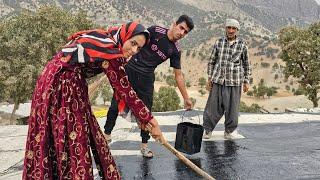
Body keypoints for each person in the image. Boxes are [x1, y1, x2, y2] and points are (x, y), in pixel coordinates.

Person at [23, 22, 164, 180]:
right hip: (64, 87)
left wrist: (143, 118)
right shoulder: (109, 50)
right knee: (74, 138)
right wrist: (151, 120)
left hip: (50, 81)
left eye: (138, 48)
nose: (133, 50)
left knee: (62, 133)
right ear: (125, 36)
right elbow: (125, 91)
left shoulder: (107, 39)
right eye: (133, 43)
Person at [104, 15, 194, 158]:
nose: (182, 33)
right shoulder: (155, 31)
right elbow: (134, 43)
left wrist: (186, 97)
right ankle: (106, 136)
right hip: (130, 69)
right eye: (181, 28)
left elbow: (178, 75)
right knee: (116, 104)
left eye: (186, 32)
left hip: (146, 78)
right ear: (174, 24)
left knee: (146, 111)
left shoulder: (176, 50)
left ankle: (144, 145)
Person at [203, 18, 251, 140]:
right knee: (212, 107)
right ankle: (208, 130)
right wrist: (209, 78)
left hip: (234, 82)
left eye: (233, 28)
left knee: (232, 109)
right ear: (225, 28)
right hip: (218, 80)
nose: (230, 30)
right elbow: (212, 61)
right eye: (228, 28)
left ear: (237, 30)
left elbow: (247, 64)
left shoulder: (242, 45)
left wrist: (246, 81)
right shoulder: (219, 42)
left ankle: (229, 131)